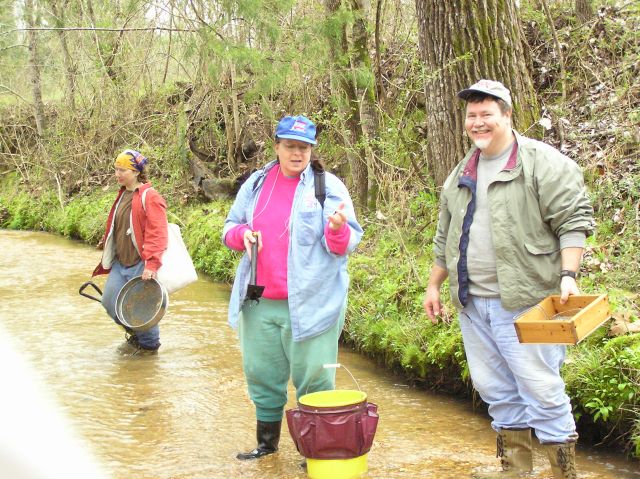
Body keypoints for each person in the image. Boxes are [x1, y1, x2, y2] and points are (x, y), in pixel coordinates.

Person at [423, 80, 594, 479]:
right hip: (472, 303)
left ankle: (562, 473)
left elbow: (574, 222)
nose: (478, 123)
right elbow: (444, 235)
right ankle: (515, 469)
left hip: (527, 301)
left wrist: (569, 275)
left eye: (487, 115)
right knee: (495, 390)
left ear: (506, 115)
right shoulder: (463, 170)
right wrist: (434, 285)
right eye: (472, 116)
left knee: (542, 389)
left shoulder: (543, 163)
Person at [223, 115, 363, 460]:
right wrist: (243, 236)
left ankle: (313, 453)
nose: (296, 153)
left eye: (303, 147)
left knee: (314, 380)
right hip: (259, 302)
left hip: (313, 303)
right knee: (262, 375)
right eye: (290, 146)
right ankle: (267, 446)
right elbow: (230, 227)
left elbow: (344, 244)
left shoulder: (327, 186)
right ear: (277, 146)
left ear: (311, 149)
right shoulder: (256, 183)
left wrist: (336, 229)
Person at [93, 149, 168, 355]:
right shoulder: (122, 194)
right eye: (116, 169)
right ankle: (136, 335)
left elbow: (158, 233)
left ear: (136, 172)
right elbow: (122, 224)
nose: (117, 174)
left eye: (122, 170)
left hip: (140, 263)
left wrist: (152, 264)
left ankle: (150, 350)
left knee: (143, 310)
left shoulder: (150, 197)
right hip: (121, 262)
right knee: (109, 302)